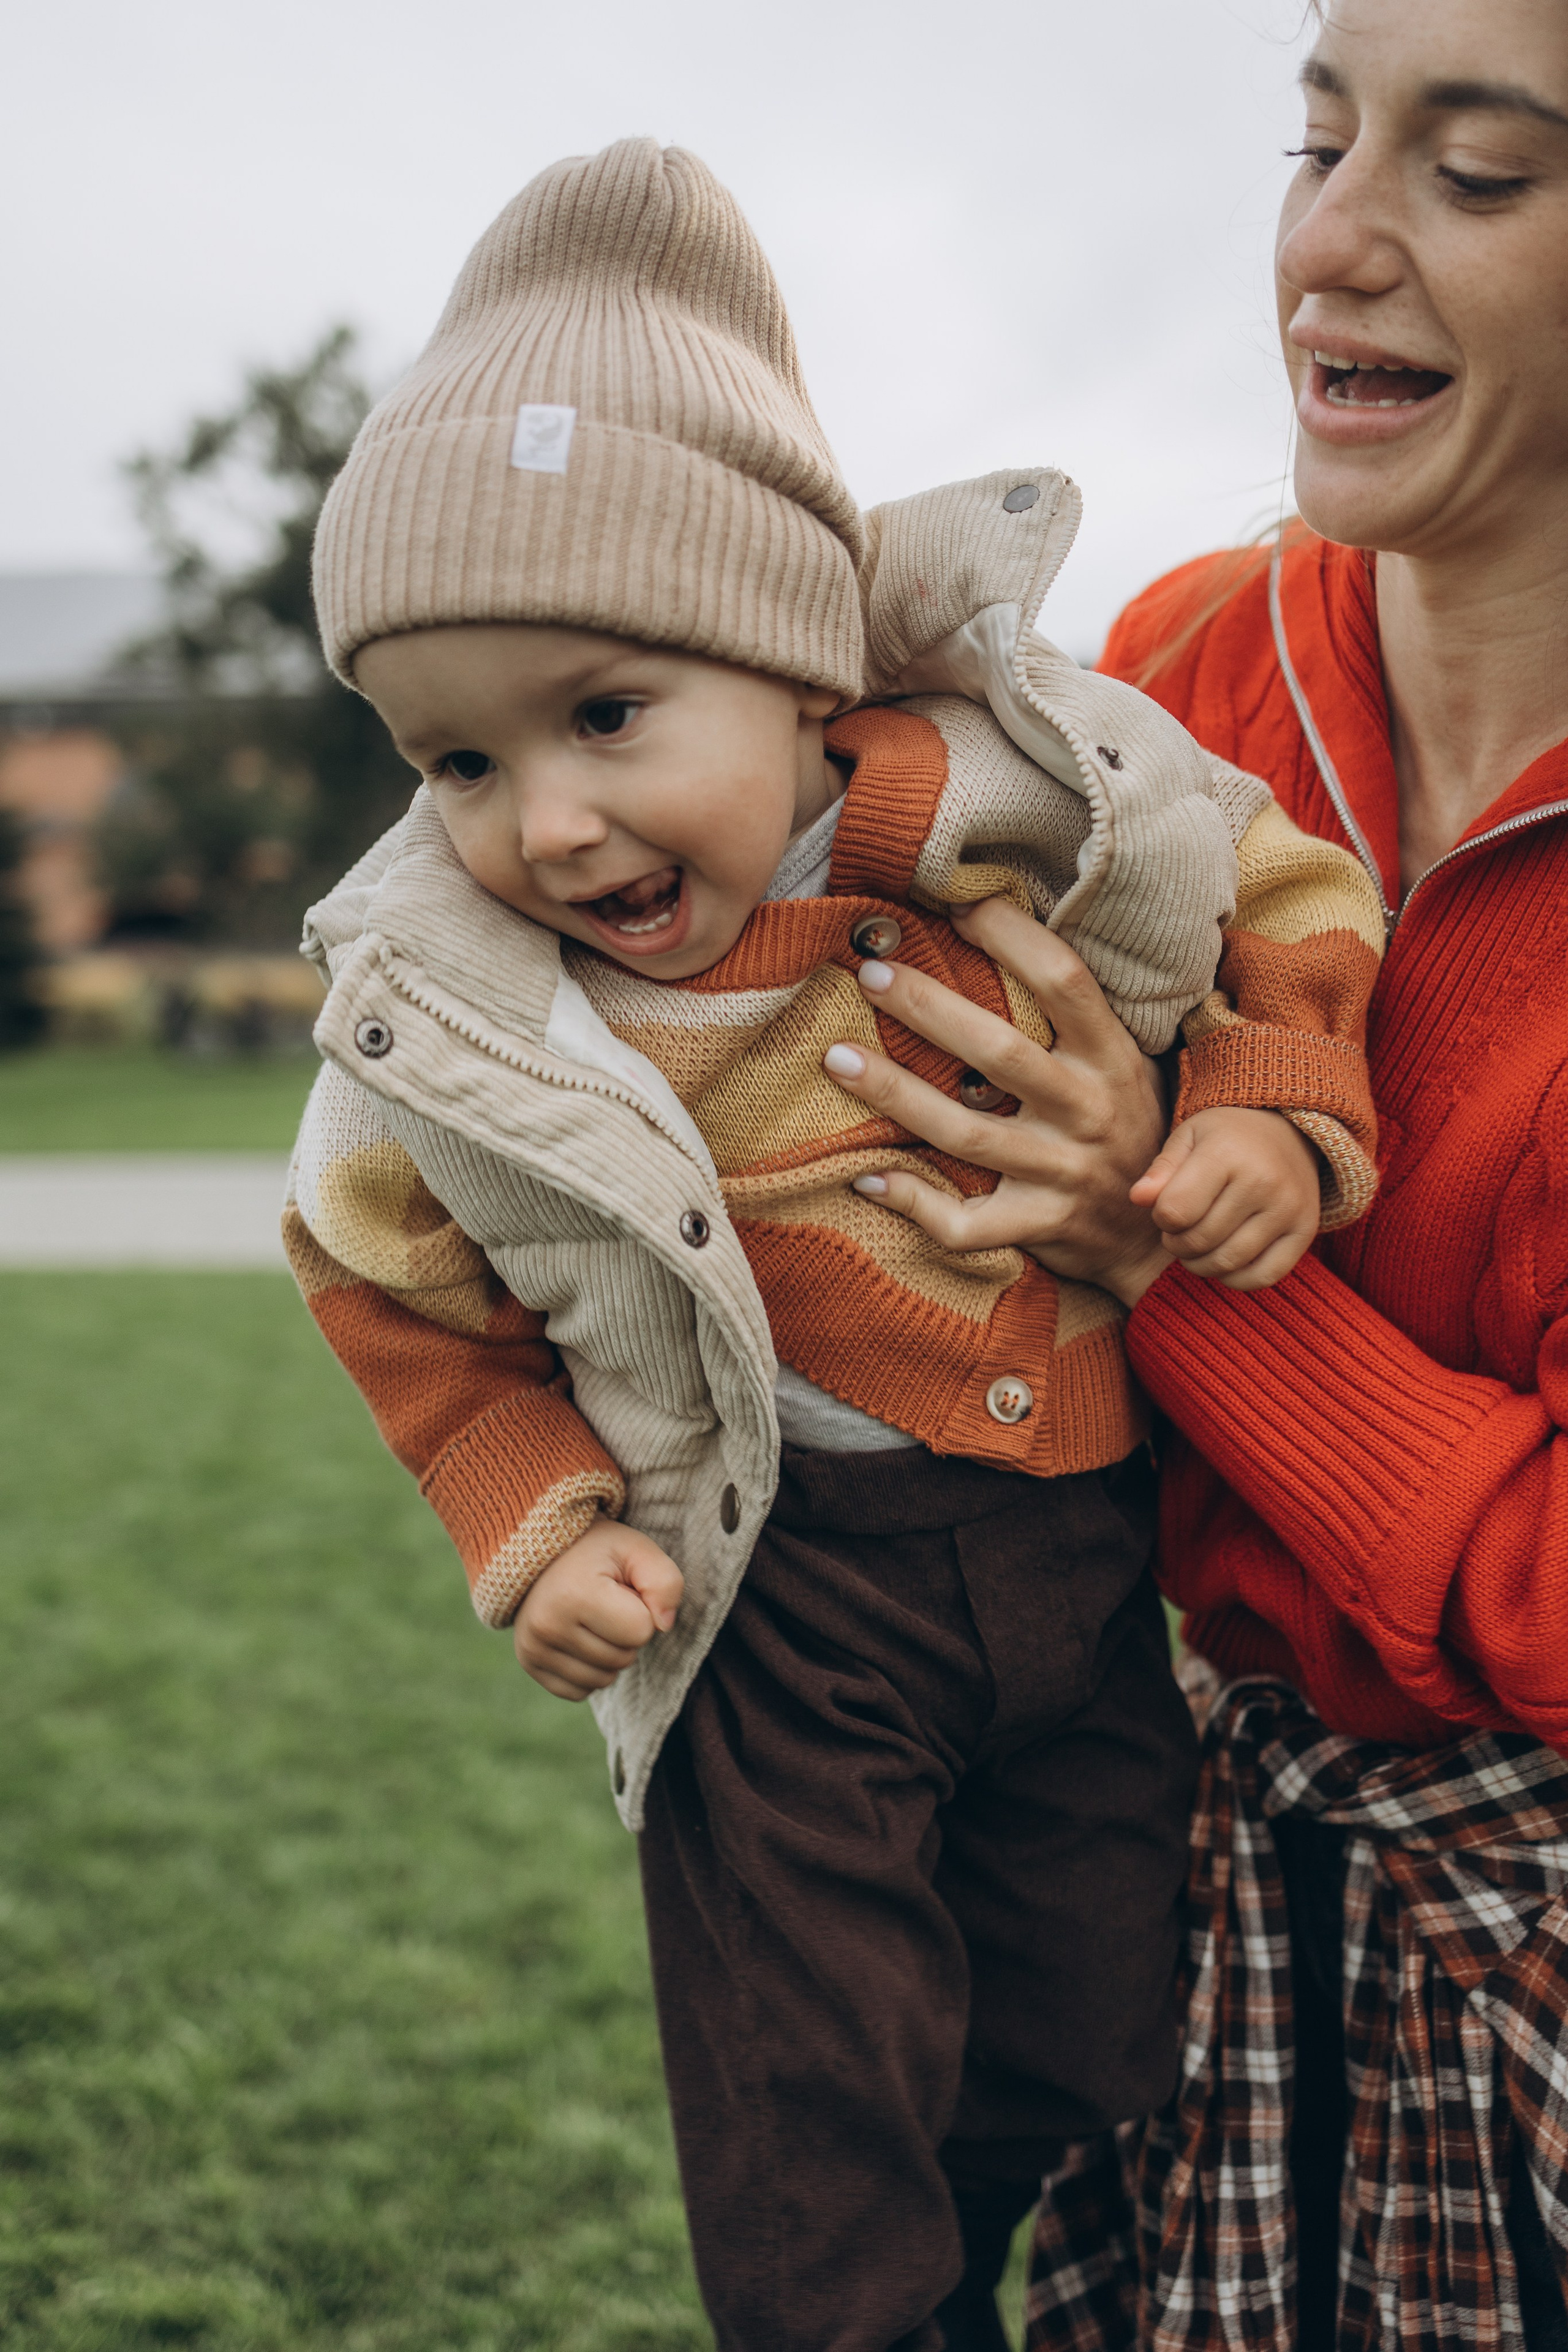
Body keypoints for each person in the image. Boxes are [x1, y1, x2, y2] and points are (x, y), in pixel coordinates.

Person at [283, 138, 1387, 2352]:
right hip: (783, 1595)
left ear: (794, 663)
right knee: (812, 2103)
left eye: (607, 717)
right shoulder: (462, 1011)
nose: (548, 822)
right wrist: (536, 1515)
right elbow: (376, 1271)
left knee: (1097, 2016)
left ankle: (962, 2218)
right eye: (458, 763)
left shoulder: (1034, 792)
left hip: (1075, 1547)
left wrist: (1274, 1102)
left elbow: (1274, 888)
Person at [816, 1, 1568, 2341]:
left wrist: (1164, 1250)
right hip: (1187, 1881)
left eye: (1479, 170)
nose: (1328, 241)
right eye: (1319, 142)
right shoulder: (1171, 682)